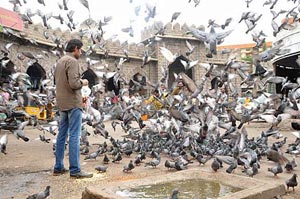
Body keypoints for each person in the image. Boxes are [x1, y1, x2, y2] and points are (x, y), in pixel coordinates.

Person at [53, 39, 93, 179]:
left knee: (61, 135)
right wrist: (84, 82)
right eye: (80, 50)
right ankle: (75, 170)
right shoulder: (73, 61)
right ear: (75, 48)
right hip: (73, 103)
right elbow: (74, 84)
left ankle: (58, 166)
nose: (81, 53)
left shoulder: (60, 61)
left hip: (62, 102)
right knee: (75, 135)